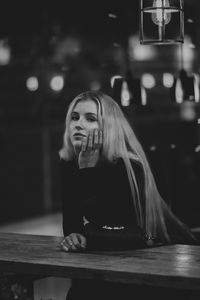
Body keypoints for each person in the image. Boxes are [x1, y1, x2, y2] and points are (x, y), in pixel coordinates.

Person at [59, 91, 198, 300]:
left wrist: (87, 170)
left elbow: (111, 221)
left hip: (147, 262)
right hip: (103, 262)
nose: (78, 124)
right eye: (74, 117)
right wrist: (74, 234)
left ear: (109, 127)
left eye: (90, 119)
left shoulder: (128, 164)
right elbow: (71, 218)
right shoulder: (71, 161)